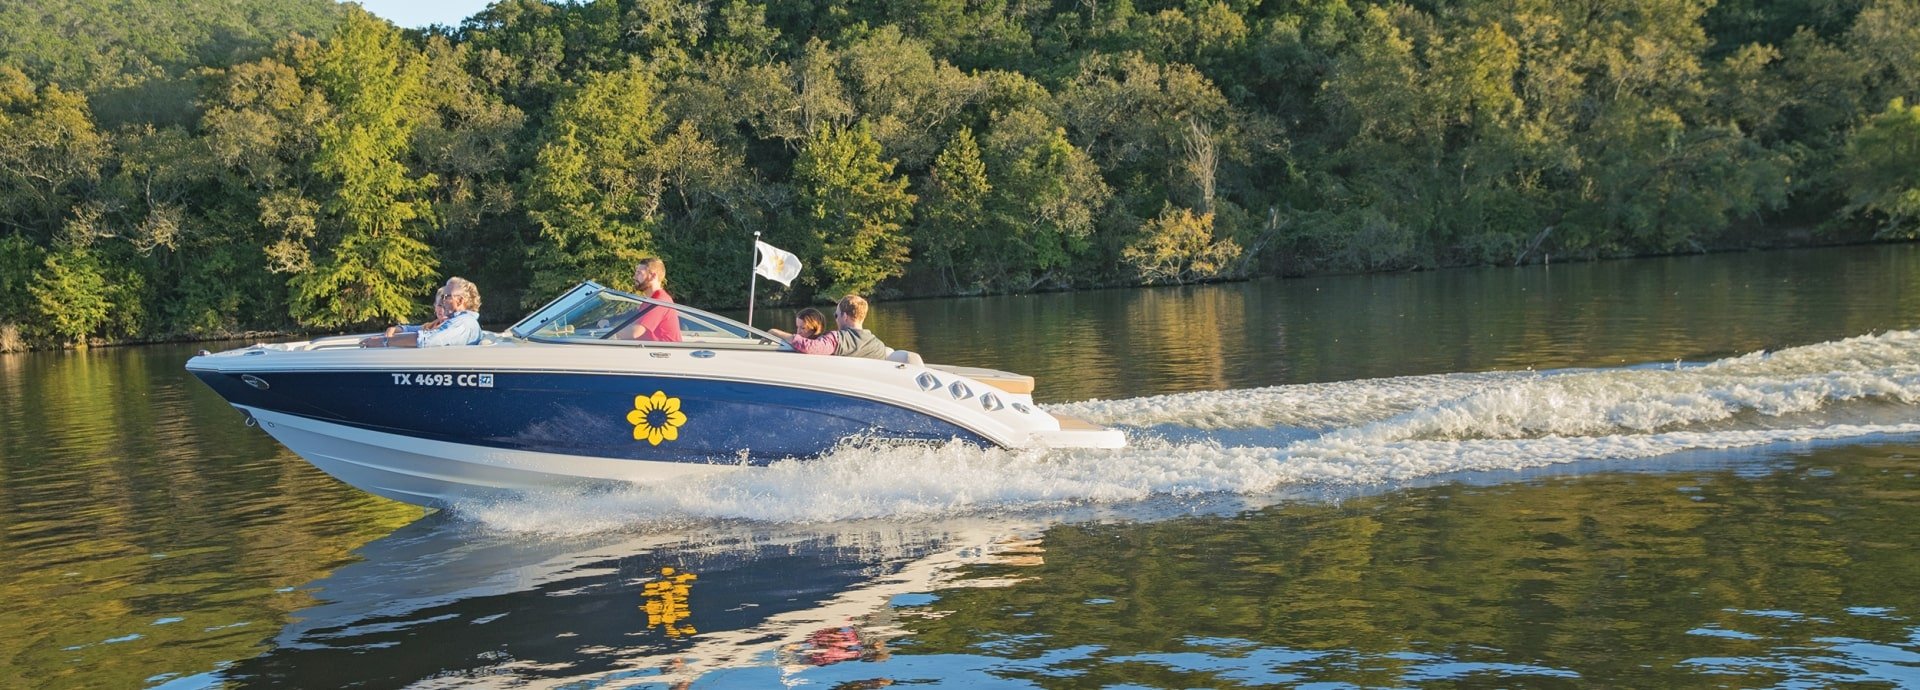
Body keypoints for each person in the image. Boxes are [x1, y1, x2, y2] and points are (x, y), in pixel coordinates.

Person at [361, 277, 484, 348]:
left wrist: (383, 342)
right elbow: (424, 331)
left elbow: (427, 340)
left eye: (446, 296)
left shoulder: (462, 323)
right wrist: (399, 329)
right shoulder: (457, 321)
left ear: (460, 300)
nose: (442, 300)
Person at [768, 295, 888, 359]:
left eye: (836, 315)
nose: (836, 319)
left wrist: (775, 332)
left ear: (845, 316)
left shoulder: (837, 339)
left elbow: (809, 347)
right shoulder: (879, 346)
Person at [621, 257, 682, 342]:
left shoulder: (660, 302)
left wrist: (609, 331)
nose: (634, 277)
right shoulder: (649, 301)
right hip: (651, 350)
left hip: (664, 352)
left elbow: (636, 332)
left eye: (639, 273)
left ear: (653, 276)